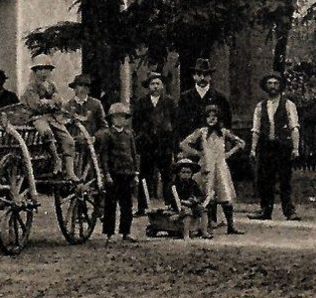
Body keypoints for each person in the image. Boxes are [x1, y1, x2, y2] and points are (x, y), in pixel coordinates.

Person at [181, 102, 246, 235]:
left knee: (226, 197)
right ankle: (208, 225)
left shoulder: (223, 132)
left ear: (219, 118)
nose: (211, 119)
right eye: (208, 116)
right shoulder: (201, 132)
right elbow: (184, 144)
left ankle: (231, 225)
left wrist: (229, 153)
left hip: (221, 167)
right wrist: (198, 154)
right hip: (207, 167)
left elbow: (241, 143)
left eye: (214, 116)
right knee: (207, 196)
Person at [249, 73, 301, 220]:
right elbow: (256, 129)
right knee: (265, 179)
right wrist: (253, 149)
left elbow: (294, 127)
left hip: (283, 147)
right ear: (266, 86)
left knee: (285, 179)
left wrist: (295, 148)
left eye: (275, 83)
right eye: (270, 83)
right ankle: (265, 210)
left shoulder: (288, 104)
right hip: (266, 147)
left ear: (280, 86)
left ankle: (289, 211)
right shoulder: (260, 106)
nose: (272, 86)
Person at [22, 55, 79, 181]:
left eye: (47, 69)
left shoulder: (51, 86)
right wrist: (50, 102)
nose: (44, 72)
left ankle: (70, 171)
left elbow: (59, 102)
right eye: (40, 69)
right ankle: (56, 159)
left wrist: (49, 102)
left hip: (52, 118)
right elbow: (36, 105)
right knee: (47, 133)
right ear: (35, 71)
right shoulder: (31, 88)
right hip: (37, 118)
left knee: (68, 140)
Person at [133, 72, 178, 213]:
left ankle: (171, 204)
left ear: (163, 85)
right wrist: (142, 137)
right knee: (145, 176)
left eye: (158, 83)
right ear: (148, 86)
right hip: (147, 145)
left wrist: (172, 143)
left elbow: (176, 123)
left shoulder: (169, 102)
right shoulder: (142, 102)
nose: (155, 86)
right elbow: (136, 123)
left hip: (164, 144)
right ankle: (142, 206)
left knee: (167, 175)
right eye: (152, 84)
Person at [94, 102, 139, 242]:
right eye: (116, 117)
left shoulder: (129, 134)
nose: (120, 120)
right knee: (110, 204)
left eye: (122, 118)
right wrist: (106, 174)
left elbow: (133, 153)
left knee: (127, 205)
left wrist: (136, 172)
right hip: (113, 174)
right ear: (111, 119)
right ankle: (110, 233)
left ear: (126, 120)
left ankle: (126, 232)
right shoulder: (107, 135)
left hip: (127, 173)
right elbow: (104, 156)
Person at [177, 57, 232, 134]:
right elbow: (180, 124)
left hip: (212, 142)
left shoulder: (220, 98)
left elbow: (227, 124)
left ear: (210, 77)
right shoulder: (185, 98)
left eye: (205, 74)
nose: (202, 78)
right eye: (199, 74)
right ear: (194, 76)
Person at [170, 155, 210, 239]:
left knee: (203, 211)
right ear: (178, 173)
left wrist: (196, 199)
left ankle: (204, 231)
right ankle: (186, 234)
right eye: (183, 172)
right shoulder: (174, 185)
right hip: (179, 206)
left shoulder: (193, 183)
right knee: (187, 213)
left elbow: (200, 195)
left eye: (188, 172)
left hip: (192, 204)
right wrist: (182, 202)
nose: (186, 175)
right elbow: (171, 198)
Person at [64, 72, 107, 138]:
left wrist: (95, 137)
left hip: (91, 142)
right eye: (80, 85)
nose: (83, 89)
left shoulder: (96, 104)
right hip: (74, 143)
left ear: (89, 90)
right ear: (74, 88)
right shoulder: (67, 106)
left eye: (86, 86)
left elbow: (104, 126)